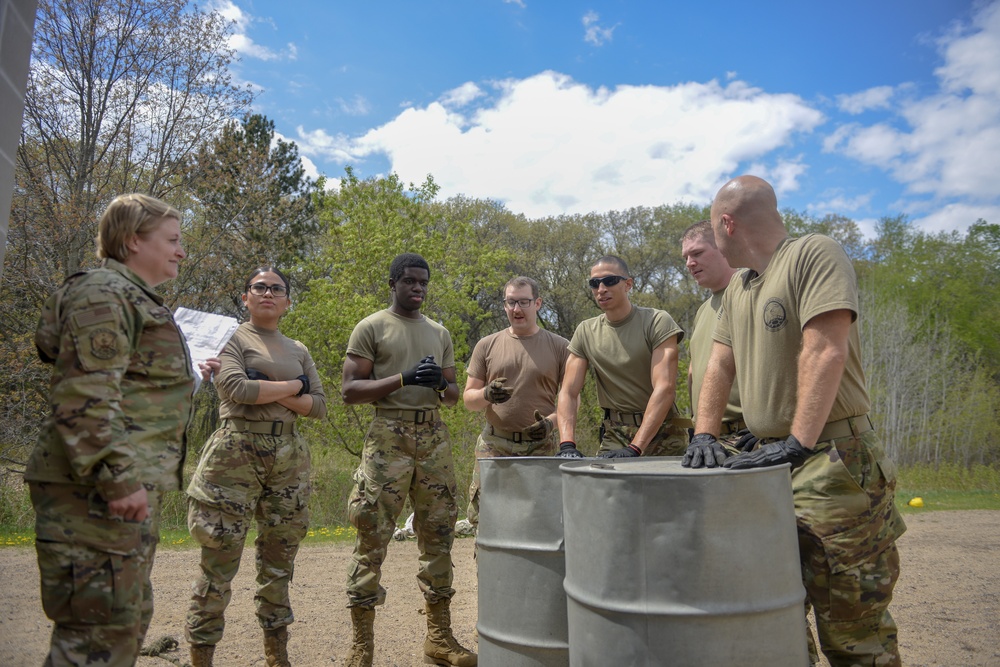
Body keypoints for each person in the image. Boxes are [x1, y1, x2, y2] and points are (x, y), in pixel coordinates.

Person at [683, 175, 906, 667]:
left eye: (714, 232)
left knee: (854, 631)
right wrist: (704, 431)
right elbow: (719, 364)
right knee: (771, 620)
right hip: (767, 465)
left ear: (727, 223)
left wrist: (798, 442)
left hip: (832, 463)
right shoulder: (740, 286)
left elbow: (825, 346)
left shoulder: (813, 253)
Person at [27, 193, 199, 666]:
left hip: (115, 492)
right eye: (172, 240)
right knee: (94, 639)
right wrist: (118, 475)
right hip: (95, 492)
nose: (181, 251)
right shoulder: (104, 293)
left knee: (120, 626)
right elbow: (83, 396)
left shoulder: (129, 297)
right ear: (131, 241)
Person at [185, 267, 327, 667]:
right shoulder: (230, 338)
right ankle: (201, 657)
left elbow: (318, 406)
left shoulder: (297, 348)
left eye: (276, 289)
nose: (267, 293)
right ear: (245, 297)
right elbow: (237, 389)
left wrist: (273, 388)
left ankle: (277, 657)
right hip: (235, 454)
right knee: (218, 563)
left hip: (289, 457)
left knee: (279, 563)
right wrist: (292, 387)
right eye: (259, 287)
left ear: (287, 301)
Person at [341, 253, 476, 667]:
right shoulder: (372, 326)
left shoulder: (439, 331)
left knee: (438, 533)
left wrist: (440, 384)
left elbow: (455, 397)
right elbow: (350, 389)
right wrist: (403, 378)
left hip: (433, 435)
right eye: (410, 281)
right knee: (372, 535)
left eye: (423, 282)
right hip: (389, 435)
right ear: (394, 282)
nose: (417, 288)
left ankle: (439, 638)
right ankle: (362, 647)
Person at [556, 255, 688, 459]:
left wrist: (636, 447)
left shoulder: (657, 321)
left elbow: (665, 388)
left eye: (609, 281)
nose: (601, 289)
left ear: (628, 284)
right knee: (605, 489)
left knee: (664, 491)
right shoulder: (585, 331)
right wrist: (567, 444)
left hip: (664, 432)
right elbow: (568, 392)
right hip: (615, 433)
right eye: (594, 283)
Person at [462, 276, 569, 529]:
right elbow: (469, 399)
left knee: (539, 522)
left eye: (524, 302)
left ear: (538, 303)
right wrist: (487, 394)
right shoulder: (486, 345)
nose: (517, 309)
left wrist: (551, 424)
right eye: (511, 303)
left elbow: (569, 401)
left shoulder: (561, 347)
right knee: (487, 522)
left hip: (540, 447)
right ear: (504, 305)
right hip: (494, 446)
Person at [680, 220, 747, 447]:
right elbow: (693, 372)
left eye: (697, 253)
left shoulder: (752, 292)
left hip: (746, 437)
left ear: (722, 247)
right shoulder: (702, 310)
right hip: (707, 438)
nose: (690, 263)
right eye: (685, 258)